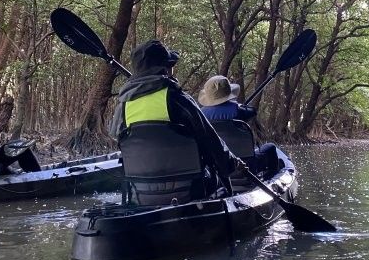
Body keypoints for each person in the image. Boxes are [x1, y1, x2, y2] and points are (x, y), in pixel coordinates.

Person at [109, 40, 240, 202]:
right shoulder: (178, 98)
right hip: (192, 192)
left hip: (141, 196)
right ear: (165, 69)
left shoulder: (123, 106)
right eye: (170, 65)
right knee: (220, 175)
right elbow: (212, 143)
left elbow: (120, 141)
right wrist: (231, 164)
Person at [197, 75, 279, 176]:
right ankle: (270, 178)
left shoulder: (200, 115)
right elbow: (252, 111)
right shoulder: (239, 111)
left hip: (216, 168)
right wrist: (238, 106)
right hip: (246, 166)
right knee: (270, 147)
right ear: (228, 92)